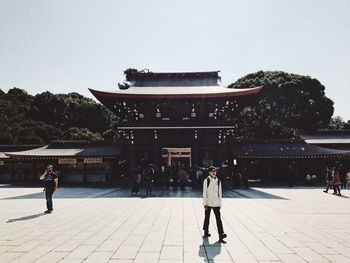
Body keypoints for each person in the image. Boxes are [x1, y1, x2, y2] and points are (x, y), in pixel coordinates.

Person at [202, 166, 227, 243]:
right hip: (208, 202)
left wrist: (220, 203)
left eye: (215, 171)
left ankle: (221, 234)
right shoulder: (206, 180)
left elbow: (220, 193)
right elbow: (204, 192)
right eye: (212, 171)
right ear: (209, 172)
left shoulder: (218, 181)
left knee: (218, 218)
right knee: (207, 217)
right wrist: (205, 203)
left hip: (216, 202)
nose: (214, 172)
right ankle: (206, 231)